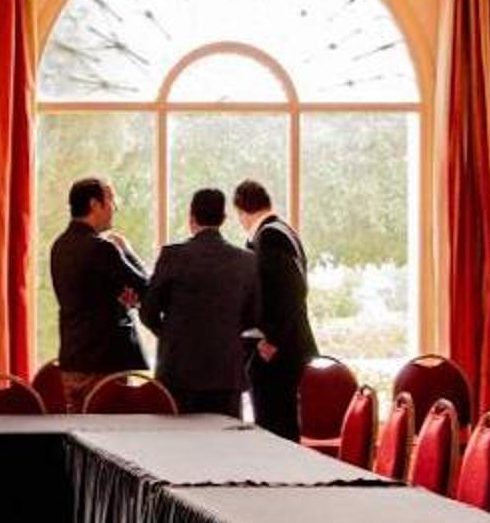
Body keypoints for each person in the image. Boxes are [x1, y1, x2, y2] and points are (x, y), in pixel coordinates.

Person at [141, 188, 260, 418]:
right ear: (223, 219)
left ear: (192, 218)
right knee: (224, 438)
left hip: (178, 372)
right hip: (225, 373)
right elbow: (255, 315)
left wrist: (171, 335)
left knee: (176, 439)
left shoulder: (172, 256)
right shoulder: (246, 261)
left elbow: (148, 311)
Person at [47, 177, 149, 410]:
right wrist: (128, 252)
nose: (114, 209)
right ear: (95, 204)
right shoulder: (102, 248)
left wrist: (123, 299)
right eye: (111, 202)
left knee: (78, 429)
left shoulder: (59, 246)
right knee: (112, 430)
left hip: (72, 361)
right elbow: (144, 287)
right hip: (105, 363)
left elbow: (91, 295)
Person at [234, 180, 319, 440]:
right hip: (290, 348)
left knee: (275, 429)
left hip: (279, 354)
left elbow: (291, 291)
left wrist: (272, 339)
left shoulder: (269, 237)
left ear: (241, 212)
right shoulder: (284, 231)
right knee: (280, 425)